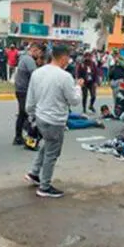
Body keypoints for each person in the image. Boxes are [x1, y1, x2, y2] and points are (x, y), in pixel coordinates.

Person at [24, 45, 83, 198]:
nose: (68, 62)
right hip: (55, 120)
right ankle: (45, 187)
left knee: (47, 146)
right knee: (52, 153)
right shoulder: (64, 77)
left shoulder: (38, 72)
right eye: (68, 59)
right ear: (63, 58)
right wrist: (78, 87)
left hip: (41, 117)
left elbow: (30, 99)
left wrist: (32, 116)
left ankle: (34, 173)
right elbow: (74, 100)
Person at [14, 43, 45, 145]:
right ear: (35, 50)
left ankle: (19, 137)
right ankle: (27, 138)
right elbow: (36, 75)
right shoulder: (29, 59)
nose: (39, 56)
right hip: (24, 90)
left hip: (21, 90)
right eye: (39, 53)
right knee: (27, 114)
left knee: (23, 114)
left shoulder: (25, 58)